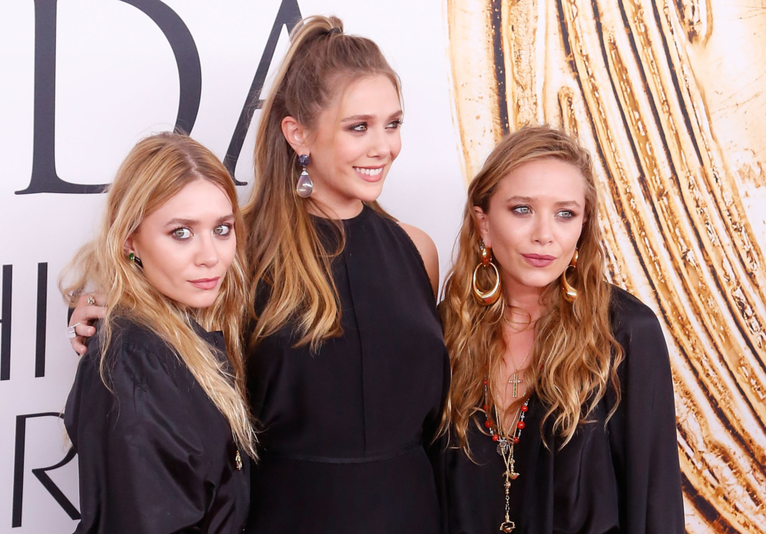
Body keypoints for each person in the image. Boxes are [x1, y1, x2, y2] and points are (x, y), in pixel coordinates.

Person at [241, 15, 449, 533]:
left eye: (393, 124)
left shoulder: (416, 250)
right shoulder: (241, 250)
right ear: (298, 133)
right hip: (287, 516)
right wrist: (110, 306)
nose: (384, 147)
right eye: (359, 127)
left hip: (413, 513)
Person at [438, 126, 684, 533]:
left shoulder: (625, 333)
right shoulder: (450, 326)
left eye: (565, 213)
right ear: (483, 223)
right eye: (521, 209)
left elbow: (653, 505)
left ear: (583, 226)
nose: (544, 235)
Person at [62, 132, 256, 533]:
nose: (210, 257)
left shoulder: (181, 333)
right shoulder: (135, 363)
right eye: (181, 233)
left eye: (222, 229)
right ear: (131, 239)